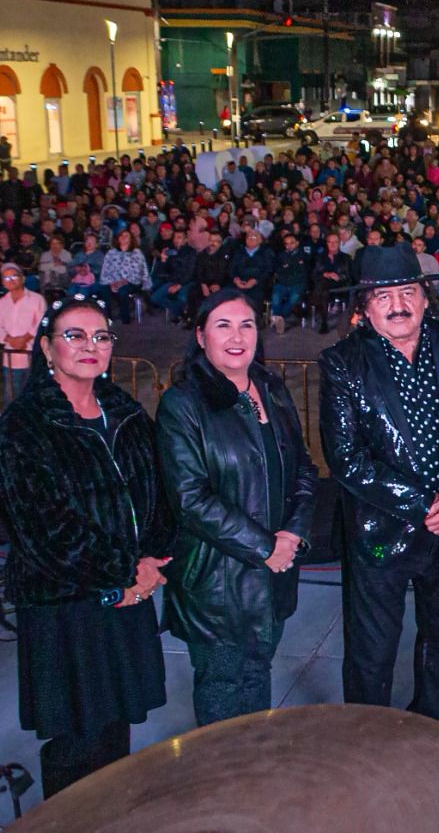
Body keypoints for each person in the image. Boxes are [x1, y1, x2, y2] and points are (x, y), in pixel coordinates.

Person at [0, 294, 174, 798]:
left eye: (101, 336)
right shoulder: (25, 427)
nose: (90, 346)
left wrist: (153, 561)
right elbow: (44, 531)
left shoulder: (124, 411)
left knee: (116, 725)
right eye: (74, 335)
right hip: (66, 607)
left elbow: (158, 492)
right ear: (47, 349)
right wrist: (126, 571)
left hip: (125, 593)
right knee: (78, 739)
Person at [319, 242, 439, 722]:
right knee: (372, 650)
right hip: (379, 532)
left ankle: (430, 731)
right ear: (365, 308)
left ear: (425, 298)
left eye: (407, 291)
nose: (398, 305)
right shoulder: (343, 362)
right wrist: (425, 504)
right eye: (383, 295)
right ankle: (371, 744)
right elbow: (346, 459)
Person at [158, 289, 318, 725]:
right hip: (217, 584)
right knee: (223, 690)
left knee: (257, 678)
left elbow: (303, 467)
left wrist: (293, 535)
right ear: (201, 335)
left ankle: (254, 782)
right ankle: (223, 787)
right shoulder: (183, 404)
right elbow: (191, 499)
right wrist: (266, 546)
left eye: (246, 325)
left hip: (273, 576)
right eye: (222, 325)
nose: (237, 336)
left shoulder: (271, 388)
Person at [0, 261, 43, 401]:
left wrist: (25, 339)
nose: (11, 280)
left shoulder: (37, 299)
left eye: (14, 276)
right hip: (10, 355)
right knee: (11, 394)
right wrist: (10, 340)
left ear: (22, 278)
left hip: (32, 352)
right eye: (6, 278)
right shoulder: (1, 303)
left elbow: (41, 322)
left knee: (33, 394)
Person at [98, 228, 151, 323]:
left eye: (126, 236)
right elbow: (106, 270)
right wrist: (112, 282)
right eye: (121, 236)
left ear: (131, 239)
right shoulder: (111, 253)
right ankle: (107, 317)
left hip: (132, 281)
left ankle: (125, 318)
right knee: (103, 290)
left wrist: (123, 281)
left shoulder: (136, 253)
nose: (123, 238)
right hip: (112, 281)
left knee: (123, 291)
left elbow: (138, 272)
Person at [269, 231, 311, 331]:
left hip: (298, 282)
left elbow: (305, 270)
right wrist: (293, 266)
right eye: (286, 244)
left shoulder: (304, 255)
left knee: (294, 298)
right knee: (275, 297)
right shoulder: (280, 255)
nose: (289, 246)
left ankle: (279, 318)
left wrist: (288, 267)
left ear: (297, 243)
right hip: (282, 282)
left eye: (291, 243)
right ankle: (279, 319)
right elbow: (278, 270)